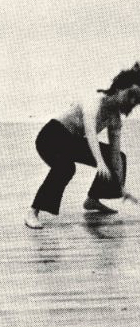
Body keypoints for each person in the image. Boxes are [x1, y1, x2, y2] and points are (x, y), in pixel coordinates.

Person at [25, 63, 140, 229]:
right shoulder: (94, 100)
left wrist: (121, 187)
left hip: (71, 141)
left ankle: (92, 199)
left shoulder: (115, 119)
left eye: (137, 100)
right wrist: (99, 162)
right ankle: (33, 211)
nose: (132, 101)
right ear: (119, 88)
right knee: (65, 167)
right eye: (131, 95)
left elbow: (115, 155)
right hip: (51, 136)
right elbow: (91, 131)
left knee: (119, 157)